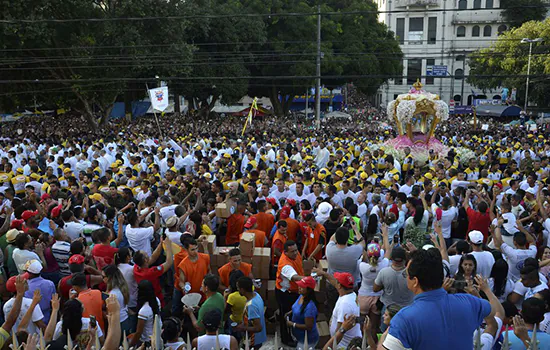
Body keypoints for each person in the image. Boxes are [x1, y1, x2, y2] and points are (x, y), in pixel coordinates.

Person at [379, 249, 493, 349]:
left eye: (406, 275)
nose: (406, 278)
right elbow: (494, 317)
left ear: (415, 281)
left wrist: (382, 340)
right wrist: (487, 336)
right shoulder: (470, 302)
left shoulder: (404, 319)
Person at [311, 269, 362, 349]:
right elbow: (335, 283)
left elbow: (339, 331)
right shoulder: (350, 293)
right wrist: (324, 274)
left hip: (343, 345)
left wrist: (328, 347)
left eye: (337, 281)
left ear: (340, 286)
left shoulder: (345, 304)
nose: (335, 282)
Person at [325, 226, 364, 317]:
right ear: (347, 239)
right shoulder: (354, 250)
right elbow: (362, 243)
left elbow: (331, 238)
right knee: (349, 310)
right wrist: (355, 229)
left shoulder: (329, 249)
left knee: (333, 307)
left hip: (332, 283)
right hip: (349, 285)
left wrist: (341, 226)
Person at [275, 240, 306, 346]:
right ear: (285, 252)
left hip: (295, 291)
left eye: (296, 250)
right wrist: (309, 279)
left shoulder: (295, 256)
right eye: (292, 251)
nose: (296, 253)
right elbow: (294, 277)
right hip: (285, 294)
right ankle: (286, 339)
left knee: (293, 313)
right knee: (286, 317)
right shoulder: (285, 264)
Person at [358, 242, 390, 343]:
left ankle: (361, 343)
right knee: (373, 327)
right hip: (377, 298)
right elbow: (388, 251)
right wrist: (385, 234)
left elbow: (363, 258)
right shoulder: (384, 265)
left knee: (362, 325)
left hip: (363, 297)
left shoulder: (362, 266)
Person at [133, 236, 173, 307]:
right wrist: (168, 247)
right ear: (145, 260)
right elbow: (169, 263)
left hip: (145, 296)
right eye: (146, 254)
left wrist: (160, 244)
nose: (148, 255)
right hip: (156, 298)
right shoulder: (150, 273)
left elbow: (153, 258)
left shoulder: (136, 267)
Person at [287, 276, 319, 349]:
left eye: (302, 286)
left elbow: (309, 327)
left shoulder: (310, 307)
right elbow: (298, 308)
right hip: (299, 337)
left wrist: (293, 324)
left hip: (307, 340)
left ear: (308, 289)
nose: (299, 287)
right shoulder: (301, 296)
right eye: (299, 285)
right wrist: (291, 312)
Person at [236, 276, 267, 350]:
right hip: (258, 338)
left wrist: (242, 328)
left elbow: (258, 328)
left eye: (238, 288)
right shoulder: (256, 295)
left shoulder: (251, 305)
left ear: (242, 290)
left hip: (253, 341)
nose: (237, 290)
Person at [102, 264, 132, 335]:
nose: (102, 279)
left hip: (117, 323)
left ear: (109, 278)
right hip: (124, 319)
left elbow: (110, 313)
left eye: (103, 277)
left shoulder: (113, 295)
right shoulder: (122, 288)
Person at [130, 280, 161, 347]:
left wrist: (130, 345)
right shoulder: (157, 300)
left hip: (147, 341)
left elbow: (139, 332)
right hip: (157, 337)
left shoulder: (144, 310)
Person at [24, 259, 56, 323]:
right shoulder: (50, 284)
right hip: (47, 318)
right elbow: (53, 301)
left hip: (31, 319)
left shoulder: (25, 287)